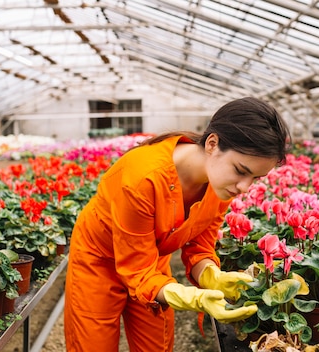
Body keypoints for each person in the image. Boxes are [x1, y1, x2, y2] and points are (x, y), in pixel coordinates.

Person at [64, 97, 290, 351]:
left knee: (156, 344)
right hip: (100, 259)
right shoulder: (142, 178)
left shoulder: (220, 184)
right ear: (212, 144)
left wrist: (211, 276)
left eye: (255, 177)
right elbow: (138, 272)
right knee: (93, 342)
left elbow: (199, 246)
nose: (244, 187)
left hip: (149, 257)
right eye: (241, 170)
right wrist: (189, 296)